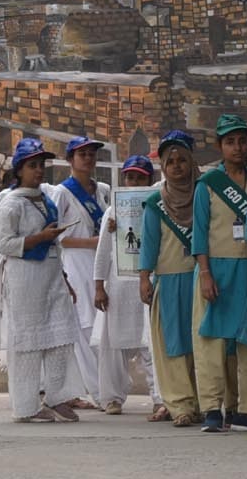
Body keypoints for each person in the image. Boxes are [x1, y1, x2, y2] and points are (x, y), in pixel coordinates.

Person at [0, 138, 83, 423]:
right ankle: (26, 407)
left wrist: (64, 278)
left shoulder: (45, 199)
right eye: (32, 165)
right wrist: (40, 237)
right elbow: (5, 244)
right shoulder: (11, 204)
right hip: (25, 279)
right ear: (19, 170)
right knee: (28, 343)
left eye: (41, 165)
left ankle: (57, 396)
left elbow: (55, 242)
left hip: (51, 275)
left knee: (60, 337)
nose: (39, 170)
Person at [192, 114, 247, 432]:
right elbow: (199, 232)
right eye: (230, 142)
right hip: (216, 268)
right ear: (220, 146)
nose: (237, 148)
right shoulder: (208, 184)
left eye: (242, 141)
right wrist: (205, 272)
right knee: (211, 339)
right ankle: (212, 406)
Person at [139, 132, 203, 427]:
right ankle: (180, 405)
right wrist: (144, 278)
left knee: (200, 342)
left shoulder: (204, 194)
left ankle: (205, 402)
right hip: (169, 281)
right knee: (173, 344)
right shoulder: (156, 203)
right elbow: (149, 244)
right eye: (170, 162)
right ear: (163, 167)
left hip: (200, 279)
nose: (177, 167)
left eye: (182, 160)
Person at [93, 154, 163, 418]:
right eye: (130, 177)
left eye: (139, 178)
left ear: (149, 180)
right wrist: (99, 286)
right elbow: (102, 252)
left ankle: (160, 397)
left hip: (147, 281)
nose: (133, 182)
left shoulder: (159, 205)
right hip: (119, 285)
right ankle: (112, 397)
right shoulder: (113, 211)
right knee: (114, 345)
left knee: (151, 342)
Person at [48, 135, 111, 411]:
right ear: (70, 159)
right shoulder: (62, 193)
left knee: (104, 326)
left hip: (102, 263)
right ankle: (98, 390)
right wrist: (91, 242)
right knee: (85, 326)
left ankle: (109, 387)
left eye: (91, 154)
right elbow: (55, 236)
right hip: (76, 263)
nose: (88, 158)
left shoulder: (103, 190)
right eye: (82, 154)